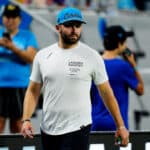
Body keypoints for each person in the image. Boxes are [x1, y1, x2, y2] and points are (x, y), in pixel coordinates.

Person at [21, 7, 129, 150]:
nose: (74, 29)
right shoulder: (42, 56)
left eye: (78, 26)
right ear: (58, 27)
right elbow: (32, 91)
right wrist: (26, 119)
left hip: (78, 127)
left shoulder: (92, 56)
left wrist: (120, 125)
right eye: (69, 25)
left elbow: (107, 93)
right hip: (48, 129)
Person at [91, 25, 144, 131]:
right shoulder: (123, 66)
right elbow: (140, 90)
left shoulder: (93, 64)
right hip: (117, 127)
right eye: (125, 42)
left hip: (95, 124)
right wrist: (133, 65)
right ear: (120, 44)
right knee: (117, 147)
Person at [0, 4, 38, 133]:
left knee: (17, 127)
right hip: (0, 86)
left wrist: (12, 47)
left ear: (19, 19)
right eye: (7, 16)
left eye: (13, 17)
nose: (10, 20)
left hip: (20, 86)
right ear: (3, 18)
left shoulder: (28, 36)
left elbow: (31, 58)